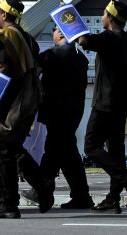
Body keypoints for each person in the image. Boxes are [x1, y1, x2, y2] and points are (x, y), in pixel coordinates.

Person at [0, 0, 49, 219]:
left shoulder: (7, 37)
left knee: (3, 150)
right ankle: (41, 189)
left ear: (4, 15)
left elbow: (0, 69)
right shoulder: (27, 37)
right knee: (13, 149)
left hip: (13, 104)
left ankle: (9, 204)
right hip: (27, 102)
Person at [77, 0, 127, 214]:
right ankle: (113, 199)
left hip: (104, 104)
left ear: (111, 18)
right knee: (115, 151)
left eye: (104, 14)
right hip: (121, 104)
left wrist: (68, 17)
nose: (101, 17)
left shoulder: (109, 38)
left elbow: (84, 41)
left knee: (90, 147)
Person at [35, 23, 92, 209]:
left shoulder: (53, 54)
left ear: (60, 33)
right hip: (74, 112)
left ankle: (42, 189)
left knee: (53, 148)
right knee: (69, 154)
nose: (53, 32)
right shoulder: (81, 58)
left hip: (57, 111)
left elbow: (33, 69)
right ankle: (81, 195)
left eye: (54, 29)